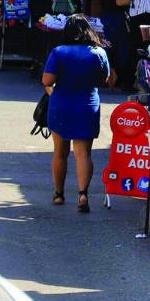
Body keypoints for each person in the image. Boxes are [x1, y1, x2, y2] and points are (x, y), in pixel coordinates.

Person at [41, 15, 113, 213]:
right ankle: (83, 194)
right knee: (83, 154)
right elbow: (105, 79)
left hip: (61, 103)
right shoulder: (99, 52)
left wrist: (52, 91)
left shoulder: (59, 52)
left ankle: (58, 194)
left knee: (60, 152)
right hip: (87, 104)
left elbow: (47, 80)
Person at [100, 0, 136, 93]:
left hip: (110, 17)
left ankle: (112, 76)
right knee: (120, 49)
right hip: (114, 19)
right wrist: (134, 0)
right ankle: (114, 77)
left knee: (112, 48)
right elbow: (118, 1)